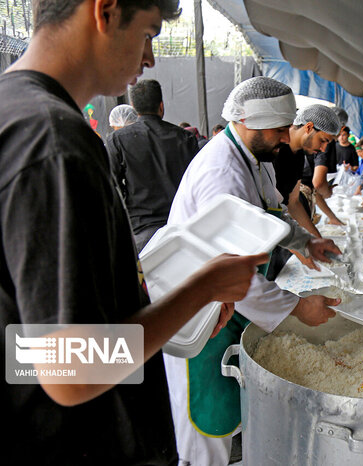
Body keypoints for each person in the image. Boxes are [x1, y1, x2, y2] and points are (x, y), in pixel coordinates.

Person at [0, 1, 266, 464]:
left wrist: (169, 318)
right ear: (104, 12)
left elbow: (27, 350)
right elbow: (69, 370)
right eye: (148, 33)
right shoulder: (53, 143)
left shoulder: (12, 113)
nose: (150, 59)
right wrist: (203, 288)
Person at [164, 77, 342, 466]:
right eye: (280, 130)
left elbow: (267, 214)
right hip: (197, 311)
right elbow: (230, 273)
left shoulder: (248, 158)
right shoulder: (222, 172)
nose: (284, 138)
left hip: (221, 304)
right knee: (202, 431)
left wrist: (305, 242)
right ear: (252, 122)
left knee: (223, 415)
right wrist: (298, 307)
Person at [105, 78, 199, 252]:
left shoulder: (118, 140)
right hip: (182, 228)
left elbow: (112, 187)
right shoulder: (185, 138)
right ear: (161, 106)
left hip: (142, 231)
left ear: (134, 106)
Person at [268, 104, 341, 276]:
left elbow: (293, 203)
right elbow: (270, 211)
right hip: (267, 232)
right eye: (323, 141)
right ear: (308, 127)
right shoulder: (273, 153)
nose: (323, 149)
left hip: (283, 229)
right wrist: (302, 248)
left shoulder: (299, 156)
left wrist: (318, 241)